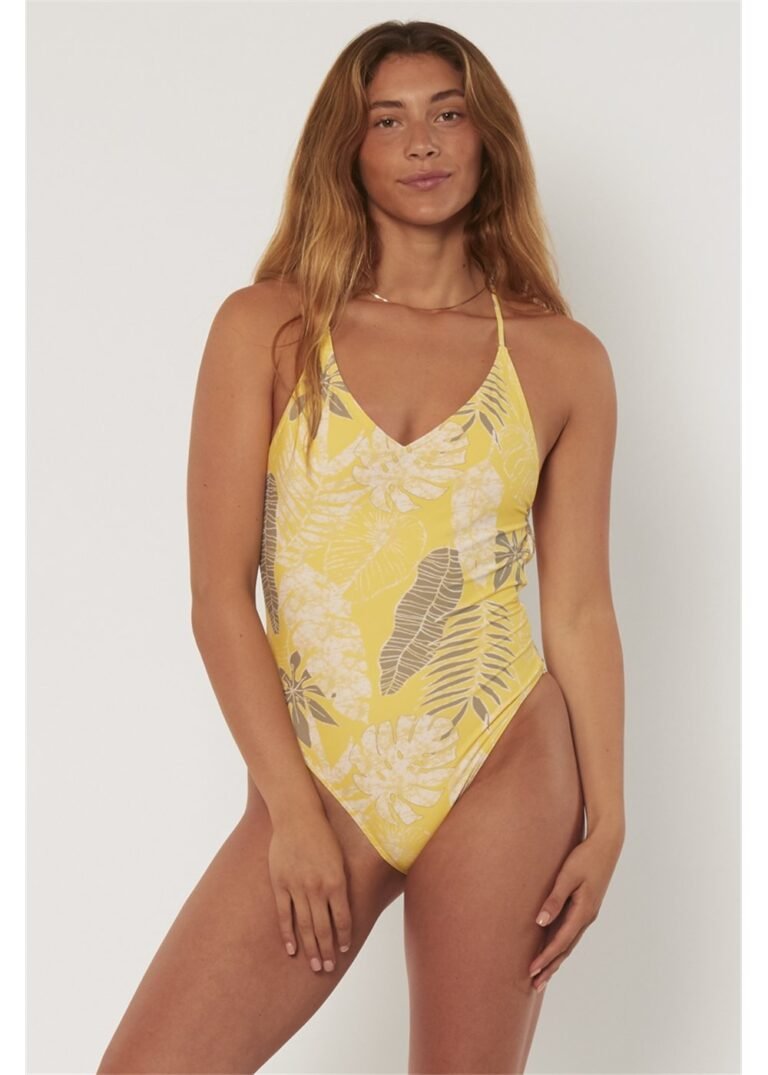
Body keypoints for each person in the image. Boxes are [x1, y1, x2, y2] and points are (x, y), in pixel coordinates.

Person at [97, 19, 625, 1075]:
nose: (422, 142)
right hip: (321, 776)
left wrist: (608, 819)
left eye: (448, 113)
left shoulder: (564, 359)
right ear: (348, 148)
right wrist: (290, 811)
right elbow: (218, 596)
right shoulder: (267, 329)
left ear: (486, 139)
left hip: (502, 763)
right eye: (389, 121)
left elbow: (578, 609)